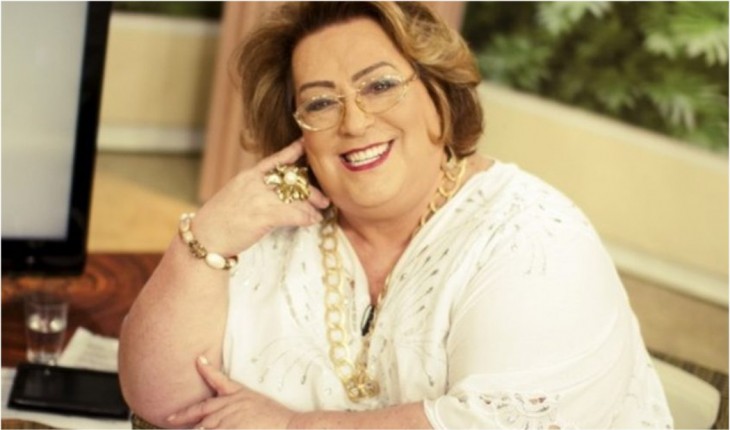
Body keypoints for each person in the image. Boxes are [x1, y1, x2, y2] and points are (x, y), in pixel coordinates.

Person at [118, 2, 673, 429]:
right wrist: (207, 237)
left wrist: (289, 426)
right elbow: (164, 402)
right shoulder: (271, 224)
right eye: (320, 102)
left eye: (380, 86)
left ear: (439, 94)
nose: (354, 122)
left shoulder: (533, 236)